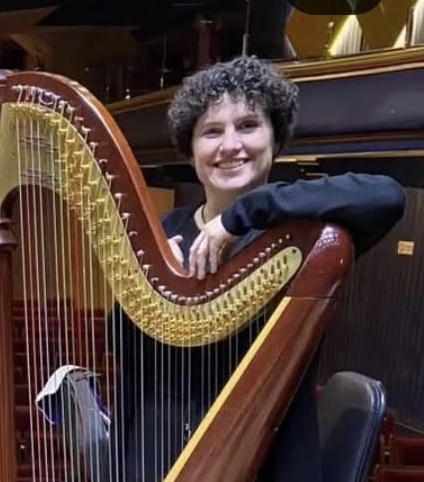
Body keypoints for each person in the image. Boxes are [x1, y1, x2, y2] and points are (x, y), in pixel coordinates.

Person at [110, 55, 406, 482]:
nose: (230, 145)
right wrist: (146, 293)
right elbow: (126, 352)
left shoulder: (302, 234)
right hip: (161, 451)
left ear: (275, 138)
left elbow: (387, 196)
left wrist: (242, 215)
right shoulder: (163, 233)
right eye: (212, 131)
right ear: (191, 149)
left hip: (272, 458)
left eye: (248, 125)